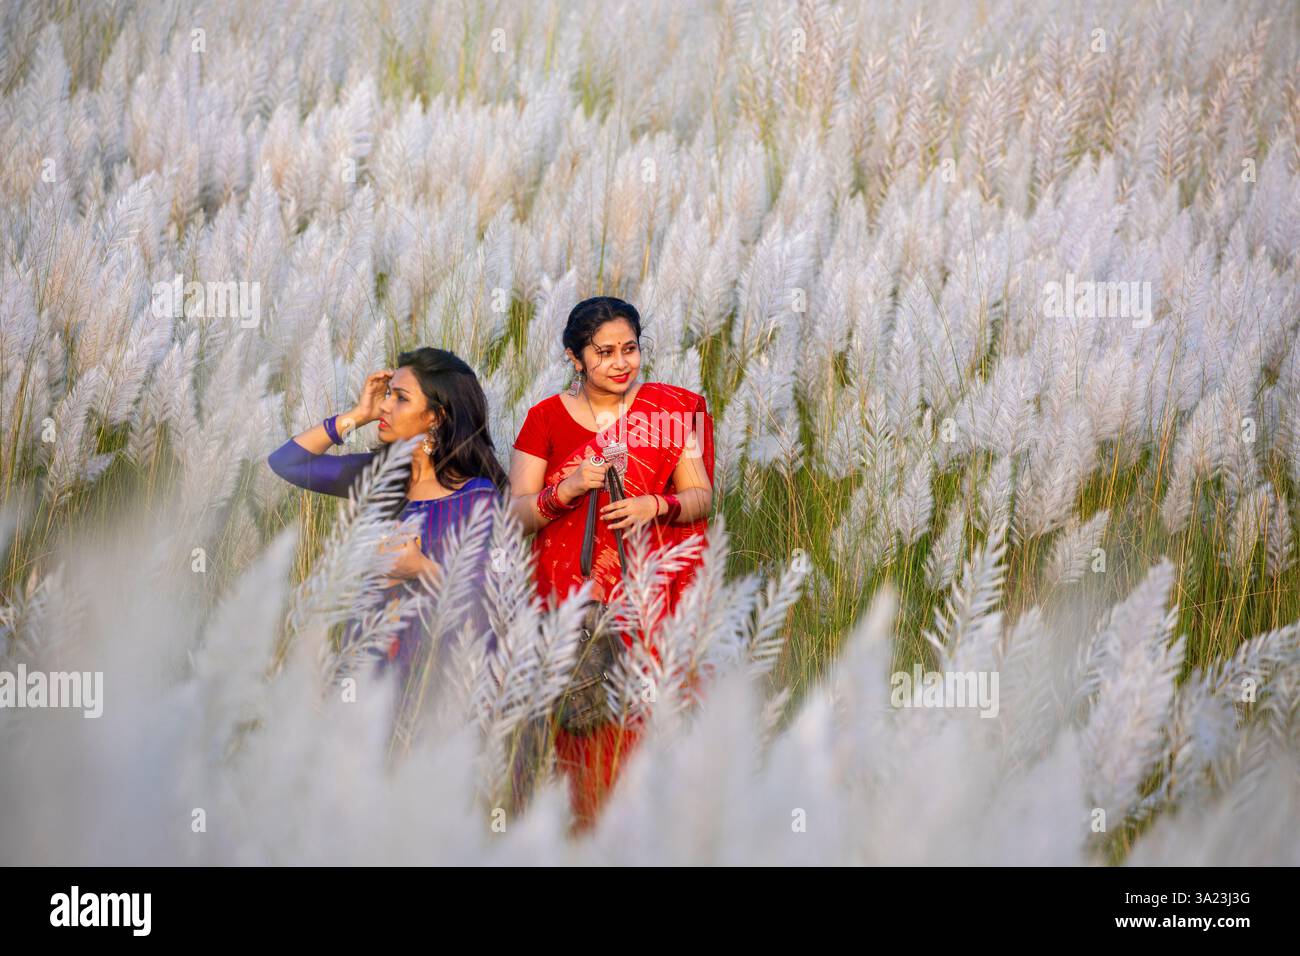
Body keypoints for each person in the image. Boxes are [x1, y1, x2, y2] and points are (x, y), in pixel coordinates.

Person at [508, 296, 715, 830]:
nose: (621, 363)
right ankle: (565, 833)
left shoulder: (668, 416)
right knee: (573, 717)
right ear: (576, 358)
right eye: (604, 352)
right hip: (567, 595)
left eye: (630, 349)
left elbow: (701, 497)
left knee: (637, 722)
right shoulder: (546, 419)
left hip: (645, 595)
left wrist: (657, 505)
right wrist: (566, 488)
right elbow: (518, 515)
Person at [267, 347, 506, 736]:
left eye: (400, 398)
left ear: (435, 417)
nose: (385, 406)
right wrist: (356, 416)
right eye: (387, 394)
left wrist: (419, 569)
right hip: (368, 663)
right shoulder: (378, 476)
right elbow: (287, 464)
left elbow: (486, 599)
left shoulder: (475, 496)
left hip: (432, 674)